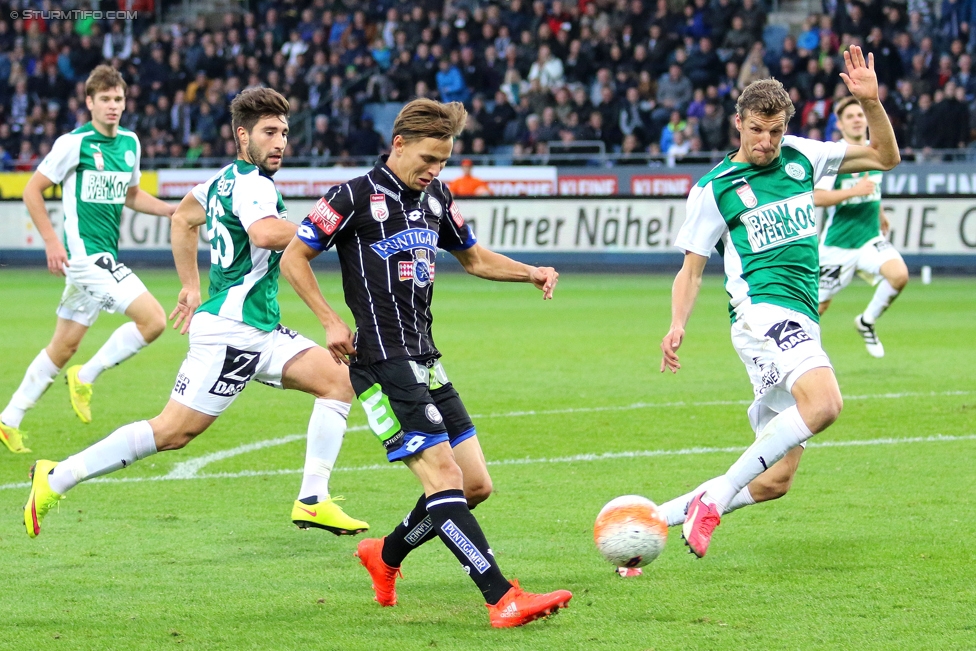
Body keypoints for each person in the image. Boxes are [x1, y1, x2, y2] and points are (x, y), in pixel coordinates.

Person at [24, 88, 368, 539]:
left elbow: (183, 219)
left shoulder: (222, 181)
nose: (280, 141)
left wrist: (190, 285)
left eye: (284, 132)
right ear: (242, 135)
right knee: (172, 432)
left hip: (258, 328)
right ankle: (57, 477)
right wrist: (334, 227)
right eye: (269, 132)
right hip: (232, 333)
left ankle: (312, 500)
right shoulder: (253, 185)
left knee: (338, 380)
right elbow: (264, 235)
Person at [281, 98, 572, 628]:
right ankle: (501, 596)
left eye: (443, 161)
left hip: (426, 357)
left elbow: (475, 258)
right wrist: (329, 320)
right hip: (381, 360)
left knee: (475, 485)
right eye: (429, 158)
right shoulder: (350, 196)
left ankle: (385, 554)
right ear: (398, 143)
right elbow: (293, 256)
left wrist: (530, 272)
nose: (435, 170)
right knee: (443, 477)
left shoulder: (436, 196)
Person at [657, 46, 900, 558]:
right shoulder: (713, 190)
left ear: (785, 125)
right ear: (737, 124)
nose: (766, 142)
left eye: (775, 130)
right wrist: (677, 323)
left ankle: (650, 522)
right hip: (761, 312)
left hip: (801, 317)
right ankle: (717, 498)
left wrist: (872, 104)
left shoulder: (803, 156)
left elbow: (885, 157)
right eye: (756, 130)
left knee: (776, 480)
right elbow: (692, 267)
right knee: (827, 403)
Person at [0, 66, 176, 453]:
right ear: (89, 102)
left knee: (63, 346)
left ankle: (8, 419)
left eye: (119, 100)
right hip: (85, 256)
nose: (113, 106)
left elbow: (131, 194)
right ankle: (87, 375)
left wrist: (169, 211)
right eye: (105, 100)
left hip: (100, 257)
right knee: (154, 320)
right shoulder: (74, 143)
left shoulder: (130, 143)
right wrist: (51, 242)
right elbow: (32, 190)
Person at [814, 96, 909, 358]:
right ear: (841, 125)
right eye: (850, 117)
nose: (857, 119)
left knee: (899, 275)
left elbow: (872, 186)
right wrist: (854, 191)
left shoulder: (874, 149)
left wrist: (880, 212)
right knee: (818, 308)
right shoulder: (834, 157)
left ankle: (866, 321)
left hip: (869, 239)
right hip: (837, 245)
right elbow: (816, 198)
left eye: (860, 115)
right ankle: (802, 356)